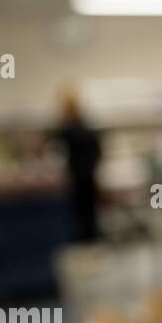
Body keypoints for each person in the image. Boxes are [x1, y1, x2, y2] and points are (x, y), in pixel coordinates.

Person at [54, 89, 102, 241]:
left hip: (81, 175)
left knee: (83, 211)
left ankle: (87, 239)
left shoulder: (70, 129)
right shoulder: (85, 127)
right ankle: (90, 237)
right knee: (88, 211)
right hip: (88, 174)